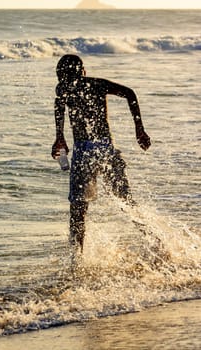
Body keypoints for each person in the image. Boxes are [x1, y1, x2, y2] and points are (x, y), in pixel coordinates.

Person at [51, 54, 151, 256]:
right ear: (82, 70)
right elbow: (129, 93)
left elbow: (59, 109)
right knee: (125, 201)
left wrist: (59, 137)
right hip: (105, 149)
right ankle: (153, 239)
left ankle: (76, 258)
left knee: (78, 210)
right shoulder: (98, 84)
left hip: (83, 152)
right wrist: (139, 129)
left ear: (60, 74)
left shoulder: (63, 88)